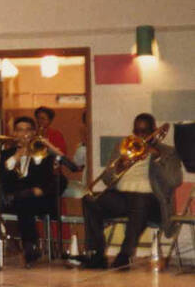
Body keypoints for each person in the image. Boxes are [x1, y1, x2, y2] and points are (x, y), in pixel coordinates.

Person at [78, 113, 182, 270]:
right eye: (137, 131)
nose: (140, 136)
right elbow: (107, 179)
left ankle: (124, 255)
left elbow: (174, 181)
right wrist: (119, 166)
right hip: (123, 198)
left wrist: (157, 158)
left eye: (145, 131)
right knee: (90, 200)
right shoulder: (125, 146)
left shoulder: (167, 152)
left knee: (139, 200)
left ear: (154, 131)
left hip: (152, 202)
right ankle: (97, 254)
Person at [0, 116, 60, 268]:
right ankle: (29, 247)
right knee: (21, 201)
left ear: (33, 132)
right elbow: (2, 178)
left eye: (27, 130)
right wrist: (16, 157)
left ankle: (29, 246)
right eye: (19, 130)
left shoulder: (42, 152)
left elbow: (48, 178)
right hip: (14, 200)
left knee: (24, 200)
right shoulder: (7, 154)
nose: (23, 134)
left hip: (39, 199)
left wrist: (34, 155)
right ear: (14, 133)